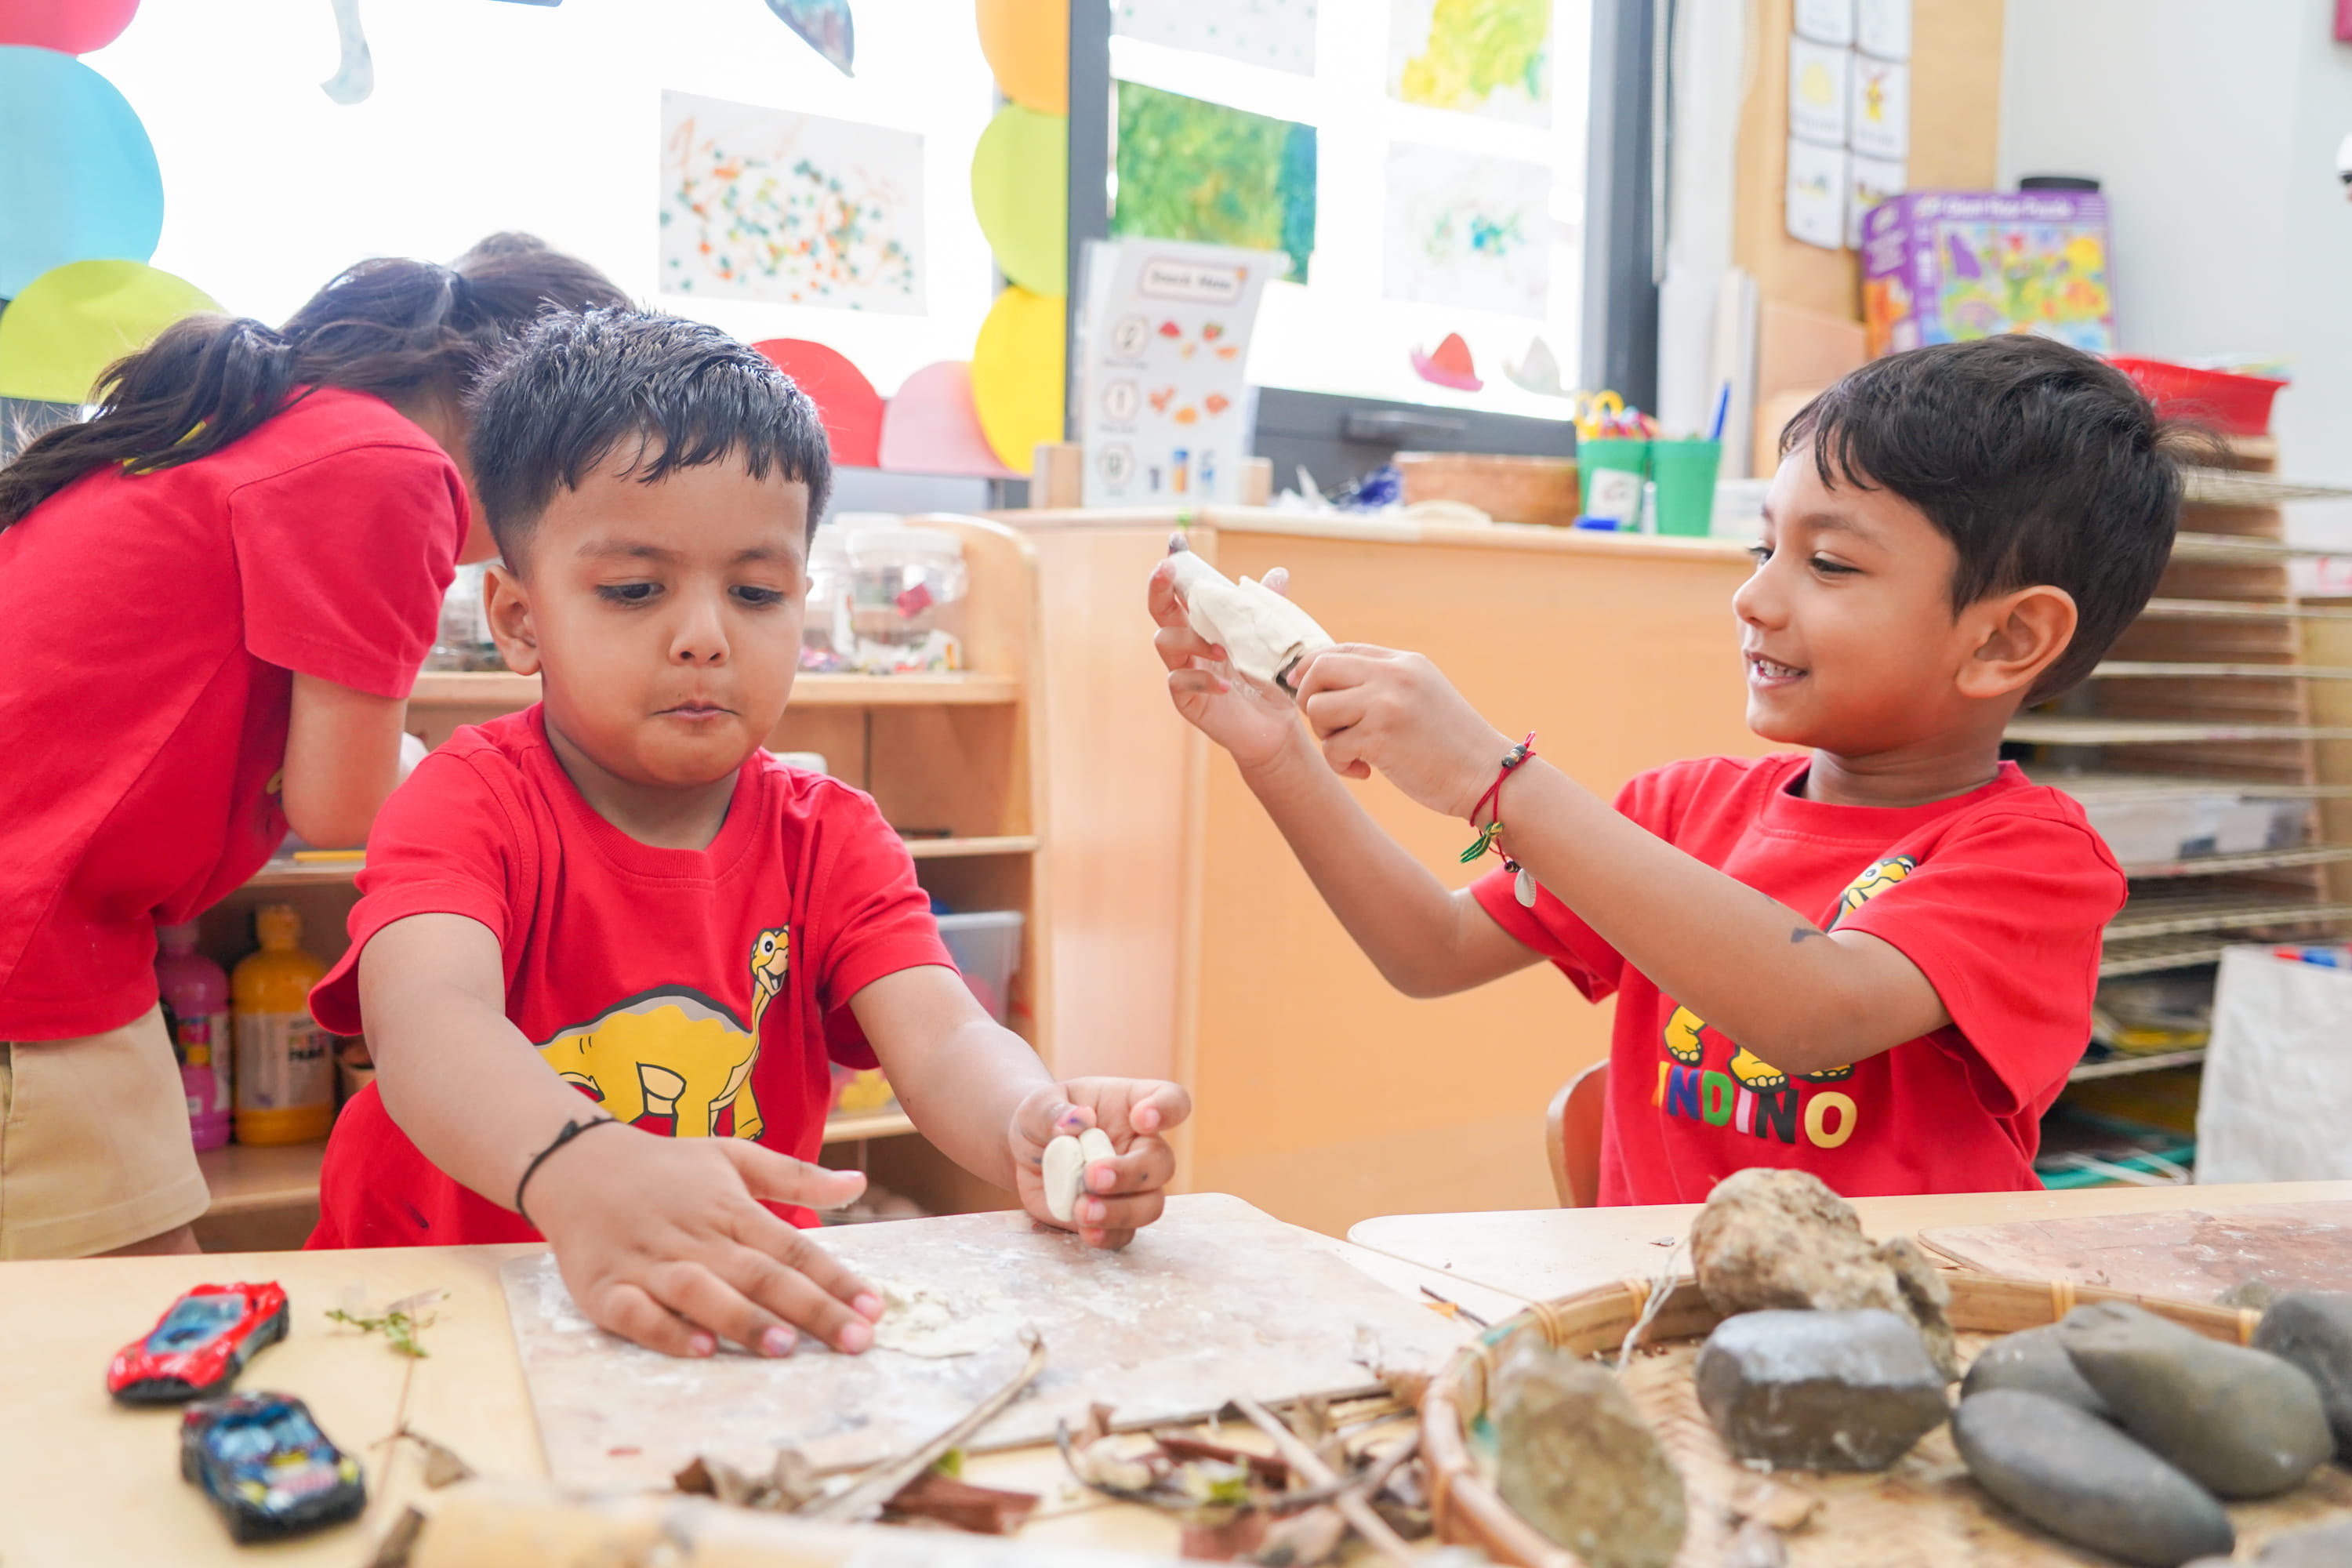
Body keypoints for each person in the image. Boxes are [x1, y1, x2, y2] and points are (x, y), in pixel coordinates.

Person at [307, 309, 1189, 1359]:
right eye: (634, 591)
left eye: (757, 592)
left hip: (723, 1311)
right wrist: (579, 1164)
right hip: (452, 1313)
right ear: (517, 618)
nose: (703, 637)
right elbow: (428, 1024)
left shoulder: (834, 836)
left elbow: (946, 1036)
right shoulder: (466, 801)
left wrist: (1028, 1123)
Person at [1152, 336, 2195, 1205]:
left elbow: (1815, 1010)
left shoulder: (2033, 861)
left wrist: (1493, 776)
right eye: (1763, 548)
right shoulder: (1678, 810)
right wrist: (1279, 754)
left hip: (1906, 1353)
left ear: (2008, 642)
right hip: (1670, 1336)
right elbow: (1430, 949)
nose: (1756, 598)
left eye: (1828, 564)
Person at [0, 234, 625, 1260]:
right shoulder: (390, 467)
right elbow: (344, 807)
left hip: (53, 923)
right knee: (125, 1350)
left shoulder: (271, 429)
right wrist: (503, 800)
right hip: (29, 941)